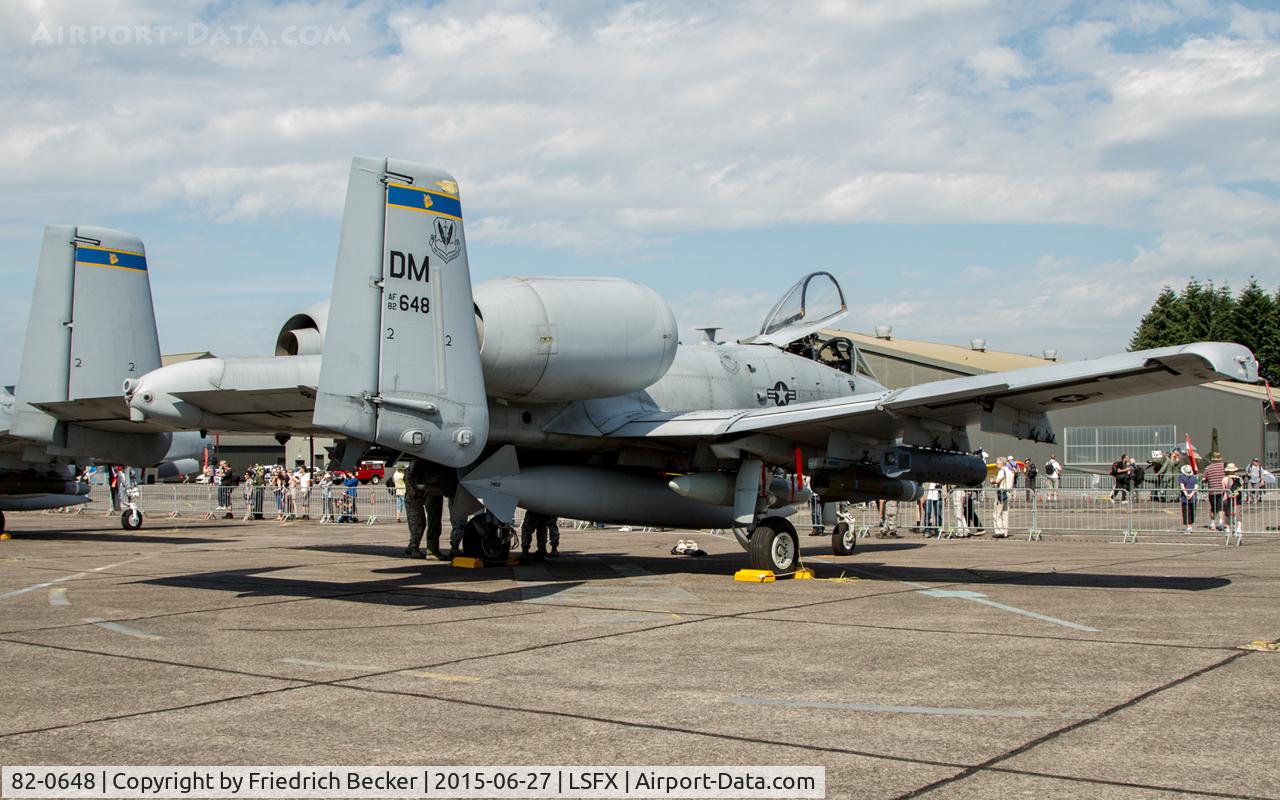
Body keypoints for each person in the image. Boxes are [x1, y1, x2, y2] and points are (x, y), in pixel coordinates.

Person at [403, 458, 457, 559]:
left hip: (422, 493)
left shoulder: (416, 463)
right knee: (426, 522)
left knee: (421, 522)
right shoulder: (425, 462)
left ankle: (413, 547)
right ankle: (430, 550)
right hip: (428, 492)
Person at [991, 456, 1014, 538]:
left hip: (1001, 493)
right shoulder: (1010, 471)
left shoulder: (1002, 471)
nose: (996, 464)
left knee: (996, 513)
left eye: (997, 462)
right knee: (1005, 513)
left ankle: (999, 531)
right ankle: (1005, 532)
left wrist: (992, 481)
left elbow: (997, 481)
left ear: (1001, 463)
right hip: (1008, 493)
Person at [1202, 452, 1226, 530]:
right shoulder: (1223, 467)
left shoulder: (1208, 468)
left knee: (1213, 508)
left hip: (1212, 491)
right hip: (1221, 490)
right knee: (1221, 507)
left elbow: (1204, 479)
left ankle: (1212, 523)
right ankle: (1221, 522)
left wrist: (1207, 480)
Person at [1223, 463, 1244, 535]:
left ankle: (1228, 529)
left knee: (1227, 514)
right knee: (1238, 514)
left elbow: (1224, 489)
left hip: (1228, 498)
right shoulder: (1240, 479)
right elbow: (1241, 488)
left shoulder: (1225, 479)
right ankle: (1238, 528)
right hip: (1238, 499)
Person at [1178, 463, 1198, 533]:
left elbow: (1182, 487)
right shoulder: (1194, 477)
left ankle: (1189, 527)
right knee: (1192, 512)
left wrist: (1187, 495)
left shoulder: (1181, 477)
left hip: (1185, 498)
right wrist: (1192, 494)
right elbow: (1196, 487)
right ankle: (1190, 526)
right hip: (1193, 497)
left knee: (1186, 512)